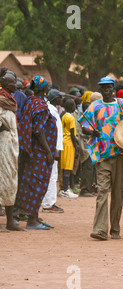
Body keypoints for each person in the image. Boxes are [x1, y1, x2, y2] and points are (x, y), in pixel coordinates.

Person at [79, 76, 123, 241]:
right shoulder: (94, 106)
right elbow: (83, 127)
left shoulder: (122, 104)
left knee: (118, 194)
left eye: (108, 87)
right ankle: (100, 229)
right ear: (100, 89)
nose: (106, 90)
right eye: (103, 87)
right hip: (103, 156)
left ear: (113, 88)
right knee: (102, 191)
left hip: (121, 155)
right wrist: (92, 132)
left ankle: (115, 228)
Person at [15, 76, 57, 230]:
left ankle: (35, 217)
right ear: (44, 89)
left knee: (33, 183)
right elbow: (38, 131)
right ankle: (32, 221)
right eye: (47, 87)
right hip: (39, 152)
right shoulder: (39, 105)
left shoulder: (31, 101)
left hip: (32, 150)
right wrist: (48, 152)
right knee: (37, 184)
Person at [0, 69, 24, 231]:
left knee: (11, 181)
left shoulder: (9, 100)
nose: (15, 85)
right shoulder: (1, 100)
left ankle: (10, 221)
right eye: (11, 83)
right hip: (3, 146)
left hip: (11, 147)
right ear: (4, 85)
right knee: (2, 181)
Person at [41, 89, 66, 213]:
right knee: (51, 175)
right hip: (52, 148)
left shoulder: (53, 109)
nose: (61, 100)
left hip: (54, 147)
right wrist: (54, 149)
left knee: (53, 175)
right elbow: (51, 132)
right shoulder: (50, 110)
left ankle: (50, 202)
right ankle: (48, 203)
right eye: (60, 97)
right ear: (55, 98)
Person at [59, 98, 80, 199]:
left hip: (63, 141)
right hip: (69, 143)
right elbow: (72, 134)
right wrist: (76, 148)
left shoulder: (63, 115)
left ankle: (63, 189)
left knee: (63, 167)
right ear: (72, 107)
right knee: (67, 167)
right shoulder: (71, 118)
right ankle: (66, 191)